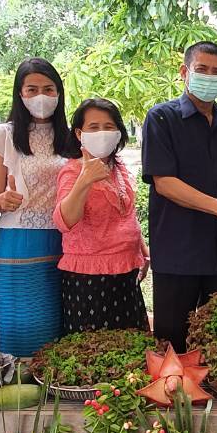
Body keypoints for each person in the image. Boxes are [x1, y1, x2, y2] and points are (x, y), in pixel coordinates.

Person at [141, 41, 217, 352]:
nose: (210, 77)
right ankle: (171, 397)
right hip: (177, 254)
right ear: (184, 72)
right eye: (202, 69)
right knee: (171, 343)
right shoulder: (161, 118)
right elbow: (164, 182)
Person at [0, 58, 76, 355]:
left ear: (59, 93)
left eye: (48, 88)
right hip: (20, 241)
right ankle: (22, 391)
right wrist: (0, 200)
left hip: (67, 239)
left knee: (63, 318)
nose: (41, 96)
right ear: (19, 94)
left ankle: (57, 390)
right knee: (23, 323)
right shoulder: (3, 135)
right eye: (31, 89)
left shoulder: (72, 137)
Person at [54, 97, 150, 333]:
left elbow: (126, 215)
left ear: (119, 132)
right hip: (89, 278)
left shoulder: (119, 167)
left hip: (126, 271)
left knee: (130, 346)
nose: (102, 133)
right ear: (79, 134)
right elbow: (64, 220)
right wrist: (85, 180)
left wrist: (142, 250)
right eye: (93, 127)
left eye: (109, 126)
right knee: (94, 350)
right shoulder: (72, 170)